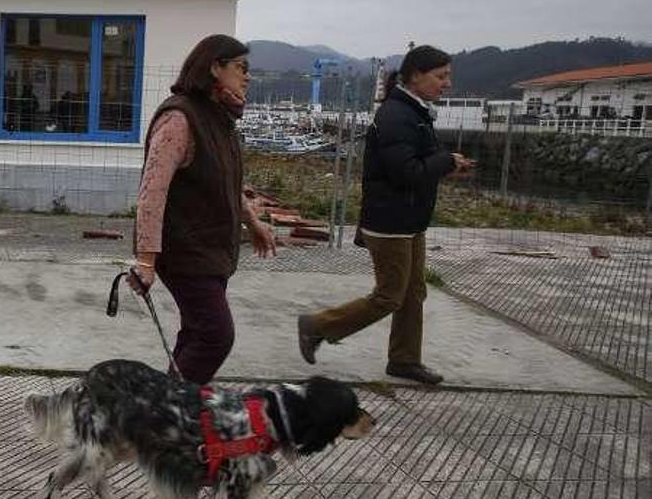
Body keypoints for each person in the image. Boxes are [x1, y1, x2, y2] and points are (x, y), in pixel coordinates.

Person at [296, 45, 475, 385]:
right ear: (416, 75)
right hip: (391, 221)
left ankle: (405, 360)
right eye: (441, 76)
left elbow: (419, 163)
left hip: (409, 221)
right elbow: (405, 173)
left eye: (448, 76)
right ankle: (317, 326)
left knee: (413, 293)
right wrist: (446, 161)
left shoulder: (415, 111)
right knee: (389, 295)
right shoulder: (397, 115)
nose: (447, 83)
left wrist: (449, 164)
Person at [131, 34, 277, 385]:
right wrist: (146, 260)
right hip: (185, 251)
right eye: (241, 67)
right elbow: (152, 193)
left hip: (210, 251)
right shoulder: (180, 118)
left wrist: (253, 222)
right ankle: (173, 414)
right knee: (215, 336)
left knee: (196, 335)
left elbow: (225, 182)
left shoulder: (218, 118)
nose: (248, 76)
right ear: (215, 67)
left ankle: (166, 412)